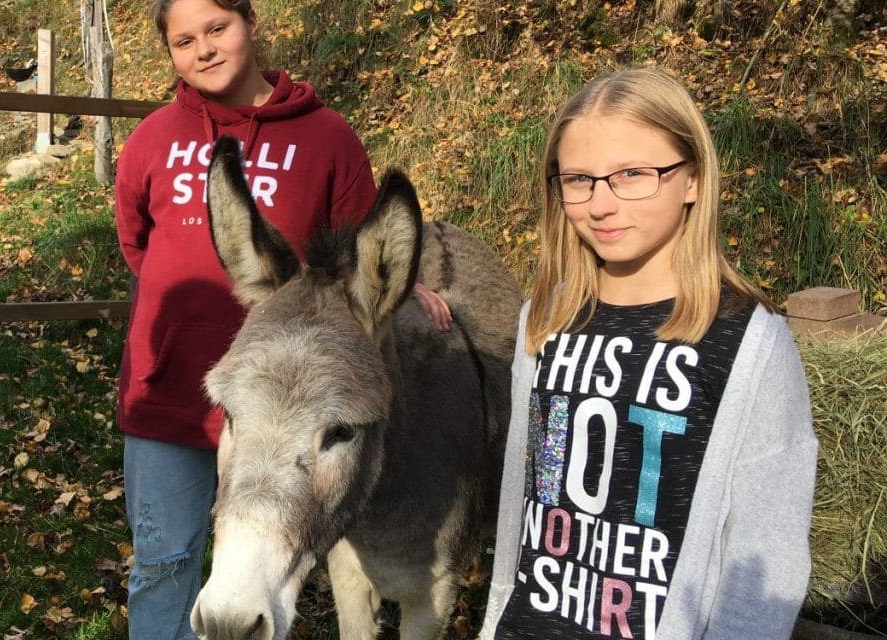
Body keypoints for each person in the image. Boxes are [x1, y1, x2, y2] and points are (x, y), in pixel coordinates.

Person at [114, 0, 451, 637]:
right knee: (164, 562)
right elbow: (136, 243)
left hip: (289, 403)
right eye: (184, 40)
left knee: (260, 560)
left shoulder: (327, 137)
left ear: (252, 24)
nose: (204, 49)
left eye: (218, 29)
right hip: (168, 390)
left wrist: (410, 286)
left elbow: (357, 251)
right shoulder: (152, 137)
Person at [479, 68, 817, 639]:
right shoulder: (544, 316)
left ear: (692, 179)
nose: (601, 204)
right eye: (579, 179)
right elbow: (524, 493)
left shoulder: (750, 345)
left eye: (633, 174)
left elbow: (768, 555)